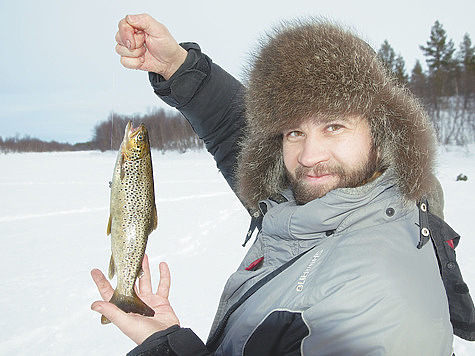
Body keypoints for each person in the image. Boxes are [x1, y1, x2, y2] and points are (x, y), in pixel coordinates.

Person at [91, 13, 475, 355]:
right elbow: (236, 132)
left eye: (334, 125)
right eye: (294, 131)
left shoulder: (377, 312)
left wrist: (165, 350)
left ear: (381, 130)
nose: (309, 156)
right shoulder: (345, 199)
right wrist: (178, 66)